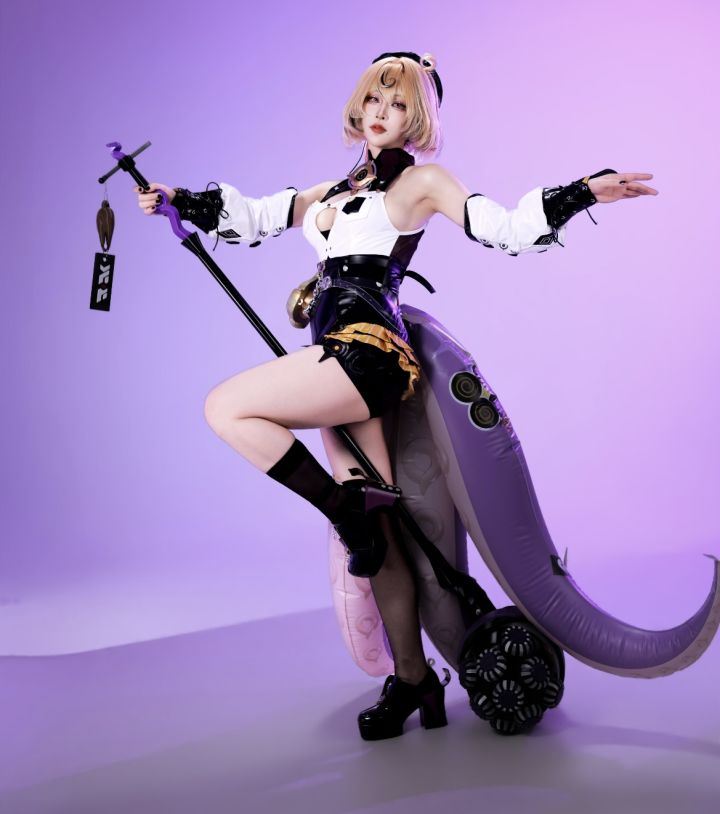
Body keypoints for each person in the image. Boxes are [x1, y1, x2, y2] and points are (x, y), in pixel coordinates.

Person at [134, 51, 658, 740]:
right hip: (337, 366)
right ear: (360, 106)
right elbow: (257, 213)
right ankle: (414, 679)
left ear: (418, 119)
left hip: (367, 357)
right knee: (380, 539)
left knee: (225, 407)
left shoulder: (420, 185)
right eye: (375, 99)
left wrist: (584, 192)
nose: (382, 112)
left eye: (400, 103)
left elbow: (500, 227)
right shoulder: (332, 191)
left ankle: (343, 509)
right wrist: (178, 200)